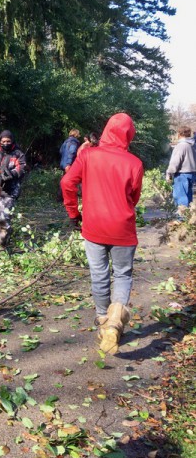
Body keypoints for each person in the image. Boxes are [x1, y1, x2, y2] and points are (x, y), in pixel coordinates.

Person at [61, 113, 144, 355]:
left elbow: (67, 183)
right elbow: (134, 197)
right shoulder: (135, 163)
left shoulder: (88, 155)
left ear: (107, 130)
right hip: (123, 228)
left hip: (94, 226)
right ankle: (115, 321)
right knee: (123, 274)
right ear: (129, 136)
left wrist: (73, 213)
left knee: (99, 274)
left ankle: (102, 319)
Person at [0, 130, 26, 249]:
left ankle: (1, 247)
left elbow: (21, 169)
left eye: (8, 141)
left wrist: (6, 174)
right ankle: (5, 230)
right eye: (3, 141)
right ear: (0, 141)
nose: (6, 143)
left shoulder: (18, 154)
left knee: (3, 219)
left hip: (9, 191)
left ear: (12, 141)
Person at [166, 126, 196, 215]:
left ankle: (181, 219)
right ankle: (188, 218)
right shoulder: (191, 145)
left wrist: (169, 173)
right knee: (188, 198)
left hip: (181, 175)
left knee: (181, 198)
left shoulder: (181, 146)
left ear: (179, 134)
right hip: (191, 174)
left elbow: (175, 162)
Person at [57, 128, 81, 201]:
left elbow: (61, 151)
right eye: (78, 134)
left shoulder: (66, 141)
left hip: (63, 163)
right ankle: (66, 198)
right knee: (69, 181)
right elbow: (72, 152)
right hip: (69, 164)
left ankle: (60, 197)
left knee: (63, 180)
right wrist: (69, 163)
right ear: (76, 134)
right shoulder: (74, 142)